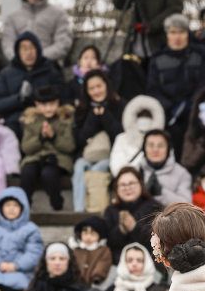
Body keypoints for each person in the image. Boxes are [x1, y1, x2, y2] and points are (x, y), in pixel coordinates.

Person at [145, 14, 205, 151]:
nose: (177, 37)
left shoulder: (201, 55)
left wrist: (192, 104)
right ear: (167, 34)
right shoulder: (157, 58)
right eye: (173, 32)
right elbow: (152, 89)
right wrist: (170, 107)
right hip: (168, 114)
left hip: (195, 110)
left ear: (187, 34)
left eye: (181, 32)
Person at [0, 32, 66, 135]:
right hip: (13, 122)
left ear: (38, 50)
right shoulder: (6, 74)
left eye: (32, 48)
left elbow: (61, 98)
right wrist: (19, 98)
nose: (29, 52)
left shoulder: (51, 72)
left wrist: (36, 97)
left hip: (44, 120)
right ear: (18, 52)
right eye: (24, 49)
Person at [71, 71, 123, 212]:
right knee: (79, 168)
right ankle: (79, 211)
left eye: (99, 86)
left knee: (97, 170)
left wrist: (105, 116)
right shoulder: (82, 109)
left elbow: (121, 136)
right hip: (87, 155)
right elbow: (80, 140)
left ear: (107, 85)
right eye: (91, 88)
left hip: (112, 156)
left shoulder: (119, 105)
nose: (96, 91)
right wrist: (93, 118)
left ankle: (96, 210)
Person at [0, 0, 72, 67]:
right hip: (20, 66)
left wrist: (39, 57)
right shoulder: (12, 17)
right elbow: (8, 43)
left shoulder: (58, 15)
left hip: (48, 64)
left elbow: (63, 43)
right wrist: (22, 59)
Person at [19, 86, 74, 211]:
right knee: (28, 172)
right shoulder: (30, 120)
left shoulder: (65, 119)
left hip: (58, 159)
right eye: (44, 105)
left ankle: (57, 204)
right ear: (37, 105)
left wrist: (53, 137)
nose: (48, 108)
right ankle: (23, 205)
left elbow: (70, 146)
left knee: (48, 174)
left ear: (58, 103)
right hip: (34, 157)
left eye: (52, 104)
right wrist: (41, 138)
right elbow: (26, 147)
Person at [103, 166, 162, 263]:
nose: (127, 188)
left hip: (150, 265)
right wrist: (121, 230)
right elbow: (107, 244)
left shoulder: (154, 207)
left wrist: (134, 228)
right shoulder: (110, 211)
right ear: (116, 188)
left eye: (131, 183)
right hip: (118, 266)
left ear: (141, 184)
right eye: (122, 185)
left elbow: (158, 242)